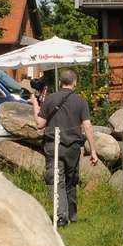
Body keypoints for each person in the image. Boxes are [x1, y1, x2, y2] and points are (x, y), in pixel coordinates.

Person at [32, 68, 100, 226]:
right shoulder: (81, 101)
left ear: (60, 82)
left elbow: (39, 124)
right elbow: (88, 126)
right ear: (75, 83)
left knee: (56, 180)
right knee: (71, 181)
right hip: (73, 148)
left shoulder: (50, 99)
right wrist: (93, 152)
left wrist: (35, 104)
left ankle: (61, 217)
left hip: (53, 145)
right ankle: (72, 215)